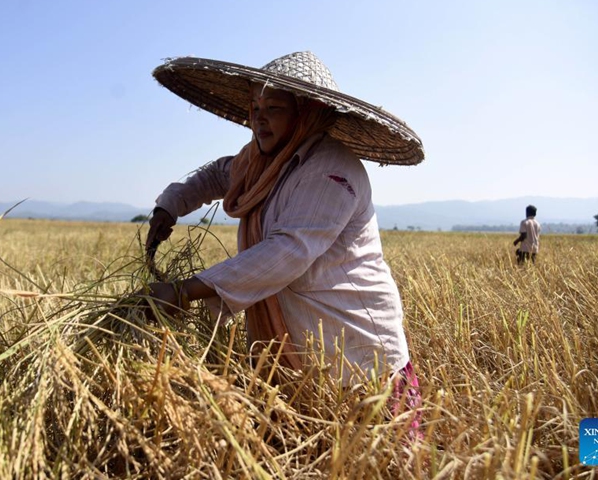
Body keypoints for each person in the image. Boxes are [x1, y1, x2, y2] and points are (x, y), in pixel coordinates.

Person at [144, 52, 424, 418]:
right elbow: (219, 174)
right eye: (255, 106)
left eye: (273, 108)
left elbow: (289, 251)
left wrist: (184, 291)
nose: (259, 118)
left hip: (355, 345)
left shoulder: (332, 169)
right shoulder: (263, 163)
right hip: (301, 348)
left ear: (308, 112)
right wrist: (170, 206)